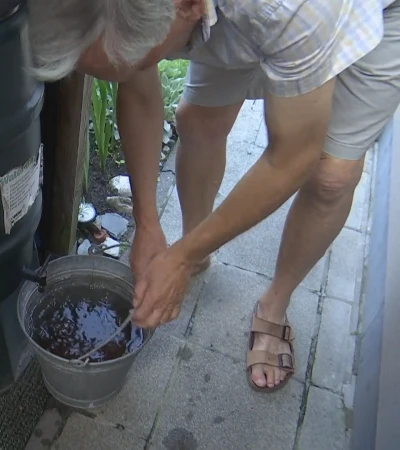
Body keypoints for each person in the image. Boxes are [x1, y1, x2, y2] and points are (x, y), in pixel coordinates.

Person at [26, 0, 400, 392]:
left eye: (134, 62)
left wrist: (178, 258)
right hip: (237, 15)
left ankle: (274, 304)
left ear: (186, 6)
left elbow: (292, 157)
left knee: (330, 175)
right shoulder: (139, 11)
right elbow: (137, 87)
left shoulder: (291, 9)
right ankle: (198, 247)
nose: (132, 71)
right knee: (199, 121)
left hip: (363, 12)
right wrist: (149, 223)